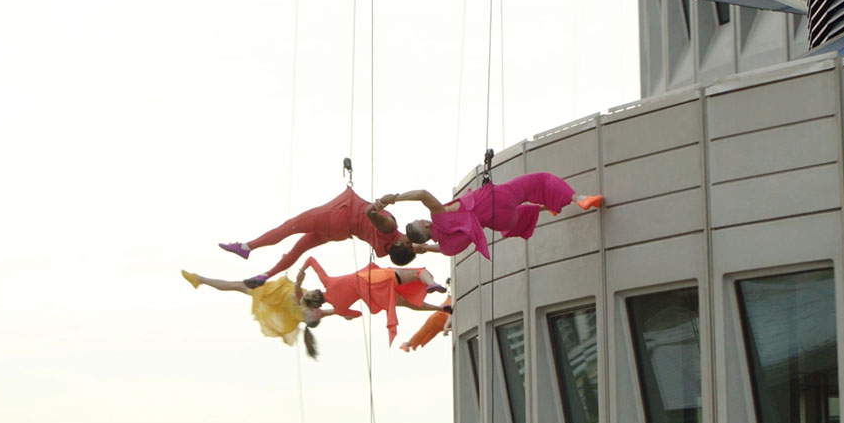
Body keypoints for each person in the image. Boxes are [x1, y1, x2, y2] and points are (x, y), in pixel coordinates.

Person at [218, 186, 437, 288]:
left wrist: (382, 202)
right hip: (339, 232)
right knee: (298, 250)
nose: (411, 240)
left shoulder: (390, 227)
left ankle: (247, 247)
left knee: (290, 227)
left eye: (409, 243)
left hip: (339, 215)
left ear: (401, 244)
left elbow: (371, 214)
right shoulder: (384, 250)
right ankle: (266, 275)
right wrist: (428, 246)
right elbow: (411, 249)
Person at [373, 172, 603, 259]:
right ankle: (579, 198)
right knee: (540, 181)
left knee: (514, 220)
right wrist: (393, 198)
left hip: (499, 220)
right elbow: (423, 194)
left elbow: (441, 249)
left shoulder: (448, 246)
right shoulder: (438, 215)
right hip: (495, 199)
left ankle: (549, 206)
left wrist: (424, 248)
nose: (424, 219)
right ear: (425, 226)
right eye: (421, 221)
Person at [300, 257, 451, 346]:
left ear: (318, 305)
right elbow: (311, 260)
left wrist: (345, 314)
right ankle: (431, 283)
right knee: (418, 272)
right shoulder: (327, 282)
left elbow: (358, 314)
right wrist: (301, 272)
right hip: (374, 277)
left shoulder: (339, 309)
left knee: (406, 303)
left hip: (376, 295)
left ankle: (441, 308)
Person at [181, 269, 324, 359]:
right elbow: (331, 311)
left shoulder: (300, 303)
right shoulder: (311, 311)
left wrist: (299, 277)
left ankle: (199, 279)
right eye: (319, 312)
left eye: (317, 314)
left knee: (235, 285)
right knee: (235, 285)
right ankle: (199, 279)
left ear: (310, 316)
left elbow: (296, 289)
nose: (319, 311)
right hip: (275, 290)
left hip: (268, 294)